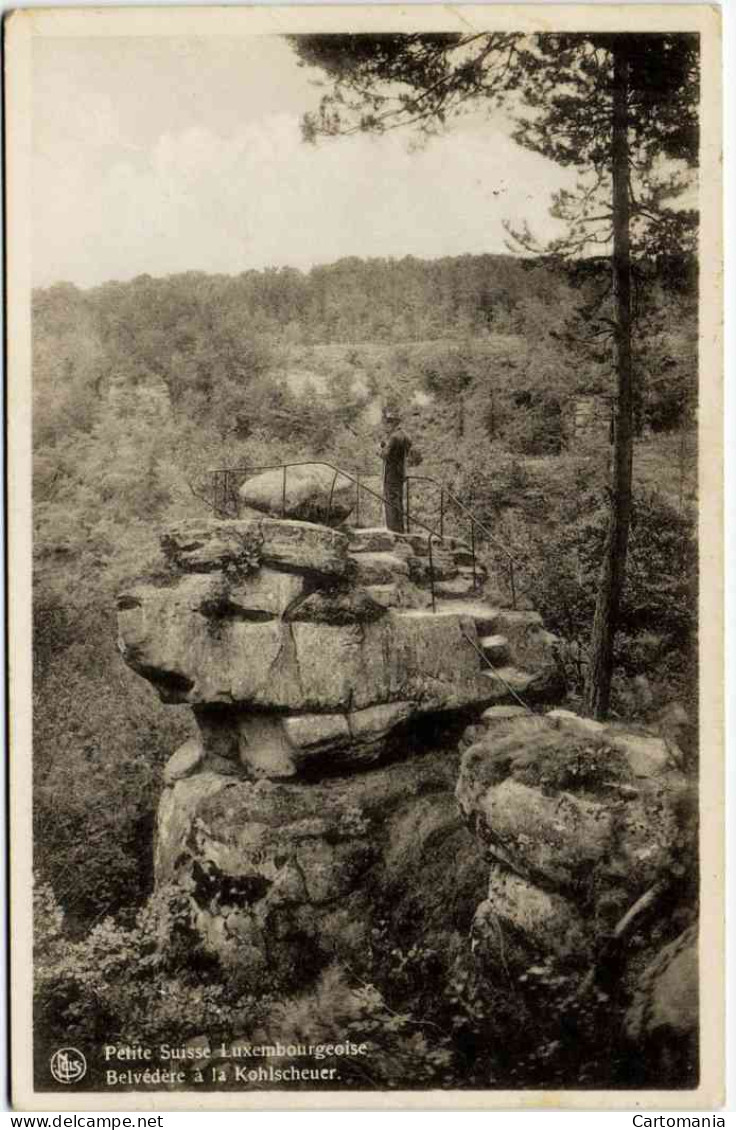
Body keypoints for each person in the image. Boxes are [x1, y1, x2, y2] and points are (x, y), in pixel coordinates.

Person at [379, 409, 412, 532]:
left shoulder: (393, 437)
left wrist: (380, 450)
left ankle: (393, 530)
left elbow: (385, 455)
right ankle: (400, 529)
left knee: (391, 501)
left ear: (393, 423)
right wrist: (386, 446)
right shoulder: (406, 436)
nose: (387, 425)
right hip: (400, 473)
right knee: (398, 501)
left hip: (391, 474)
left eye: (389, 422)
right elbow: (403, 453)